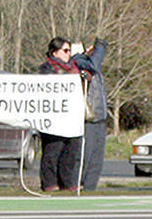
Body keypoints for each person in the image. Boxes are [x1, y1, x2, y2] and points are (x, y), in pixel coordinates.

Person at [35, 37, 83, 192]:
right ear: (55, 52)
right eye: (65, 50)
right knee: (52, 151)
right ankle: (49, 183)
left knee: (70, 152)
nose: (68, 54)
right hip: (54, 117)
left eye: (69, 51)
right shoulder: (46, 68)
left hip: (71, 116)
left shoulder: (75, 68)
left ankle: (67, 182)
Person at [73, 37, 109, 191]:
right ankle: (78, 185)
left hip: (99, 117)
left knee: (96, 159)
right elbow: (93, 64)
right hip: (87, 119)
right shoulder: (79, 62)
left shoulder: (89, 64)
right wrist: (100, 45)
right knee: (85, 157)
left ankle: (90, 188)